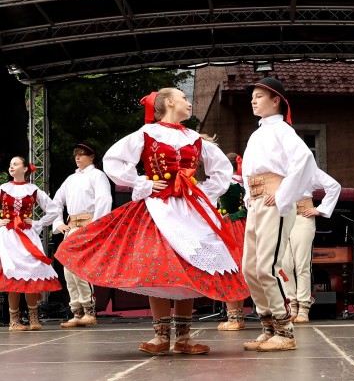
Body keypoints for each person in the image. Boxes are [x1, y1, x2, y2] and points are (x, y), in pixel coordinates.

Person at [55, 88, 249, 356]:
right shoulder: (146, 134)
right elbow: (114, 160)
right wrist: (141, 181)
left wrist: (203, 192)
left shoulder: (195, 138)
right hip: (158, 207)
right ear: (169, 102)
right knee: (158, 266)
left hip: (190, 209)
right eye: (184, 98)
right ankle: (161, 336)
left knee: (190, 266)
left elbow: (222, 171)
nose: (189, 102)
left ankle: (183, 337)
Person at [241, 77, 316, 352]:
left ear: (276, 101)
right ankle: (268, 325)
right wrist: (249, 195)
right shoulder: (257, 133)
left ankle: (285, 329)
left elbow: (305, 159)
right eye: (253, 96)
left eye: (259, 96)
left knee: (267, 267)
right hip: (257, 202)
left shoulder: (283, 130)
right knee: (250, 267)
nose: (253, 100)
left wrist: (284, 193)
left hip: (274, 203)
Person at [50, 143, 113, 328]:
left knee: (80, 268)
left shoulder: (97, 175)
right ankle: (77, 311)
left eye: (82, 154)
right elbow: (56, 202)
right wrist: (58, 223)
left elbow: (104, 200)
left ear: (92, 156)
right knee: (68, 271)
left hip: (88, 225)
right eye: (75, 154)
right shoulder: (71, 179)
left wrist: (97, 228)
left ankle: (89, 310)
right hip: (71, 227)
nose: (77, 157)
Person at [0, 156, 61, 331]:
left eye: (16, 164)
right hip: (9, 236)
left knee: (32, 273)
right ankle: (14, 320)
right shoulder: (3, 189)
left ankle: (34, 318)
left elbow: (54, 209)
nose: (12, 166)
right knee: (13, 274)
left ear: (25, 169)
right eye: (11, 164)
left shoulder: (33, 190)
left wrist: (37, 223)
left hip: (27, 235)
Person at [282, 167, 341, 324]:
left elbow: (334, 186)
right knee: (284, 264)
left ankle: (303, 307)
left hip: (302, 216)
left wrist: (320, 210)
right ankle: (291, 305)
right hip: (281, 217)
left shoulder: (306, 167)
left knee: (302, 264)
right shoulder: (275, 167)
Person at [217, 152, 249, 331]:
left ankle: (233, 319)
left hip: (228, 227)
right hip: (243, 227)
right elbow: (246, 208)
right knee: (240, 269)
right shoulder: (243, 182)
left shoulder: (224, 183)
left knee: (228, 269)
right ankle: (238, 316)